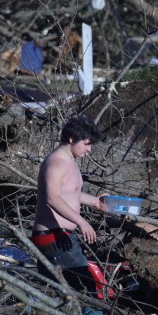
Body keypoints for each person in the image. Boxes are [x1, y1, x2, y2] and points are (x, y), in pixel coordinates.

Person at [32, 115, 105, 293]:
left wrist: (96, 202)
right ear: (71, 139)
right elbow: (53, 198)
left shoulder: (69, 161)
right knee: (85, 289)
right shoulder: (57, 163)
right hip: (53, 236)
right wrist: (82, 222)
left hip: (61, 236)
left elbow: (71, 194)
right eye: (87, 144)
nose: (89, 149)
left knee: (55, 291)